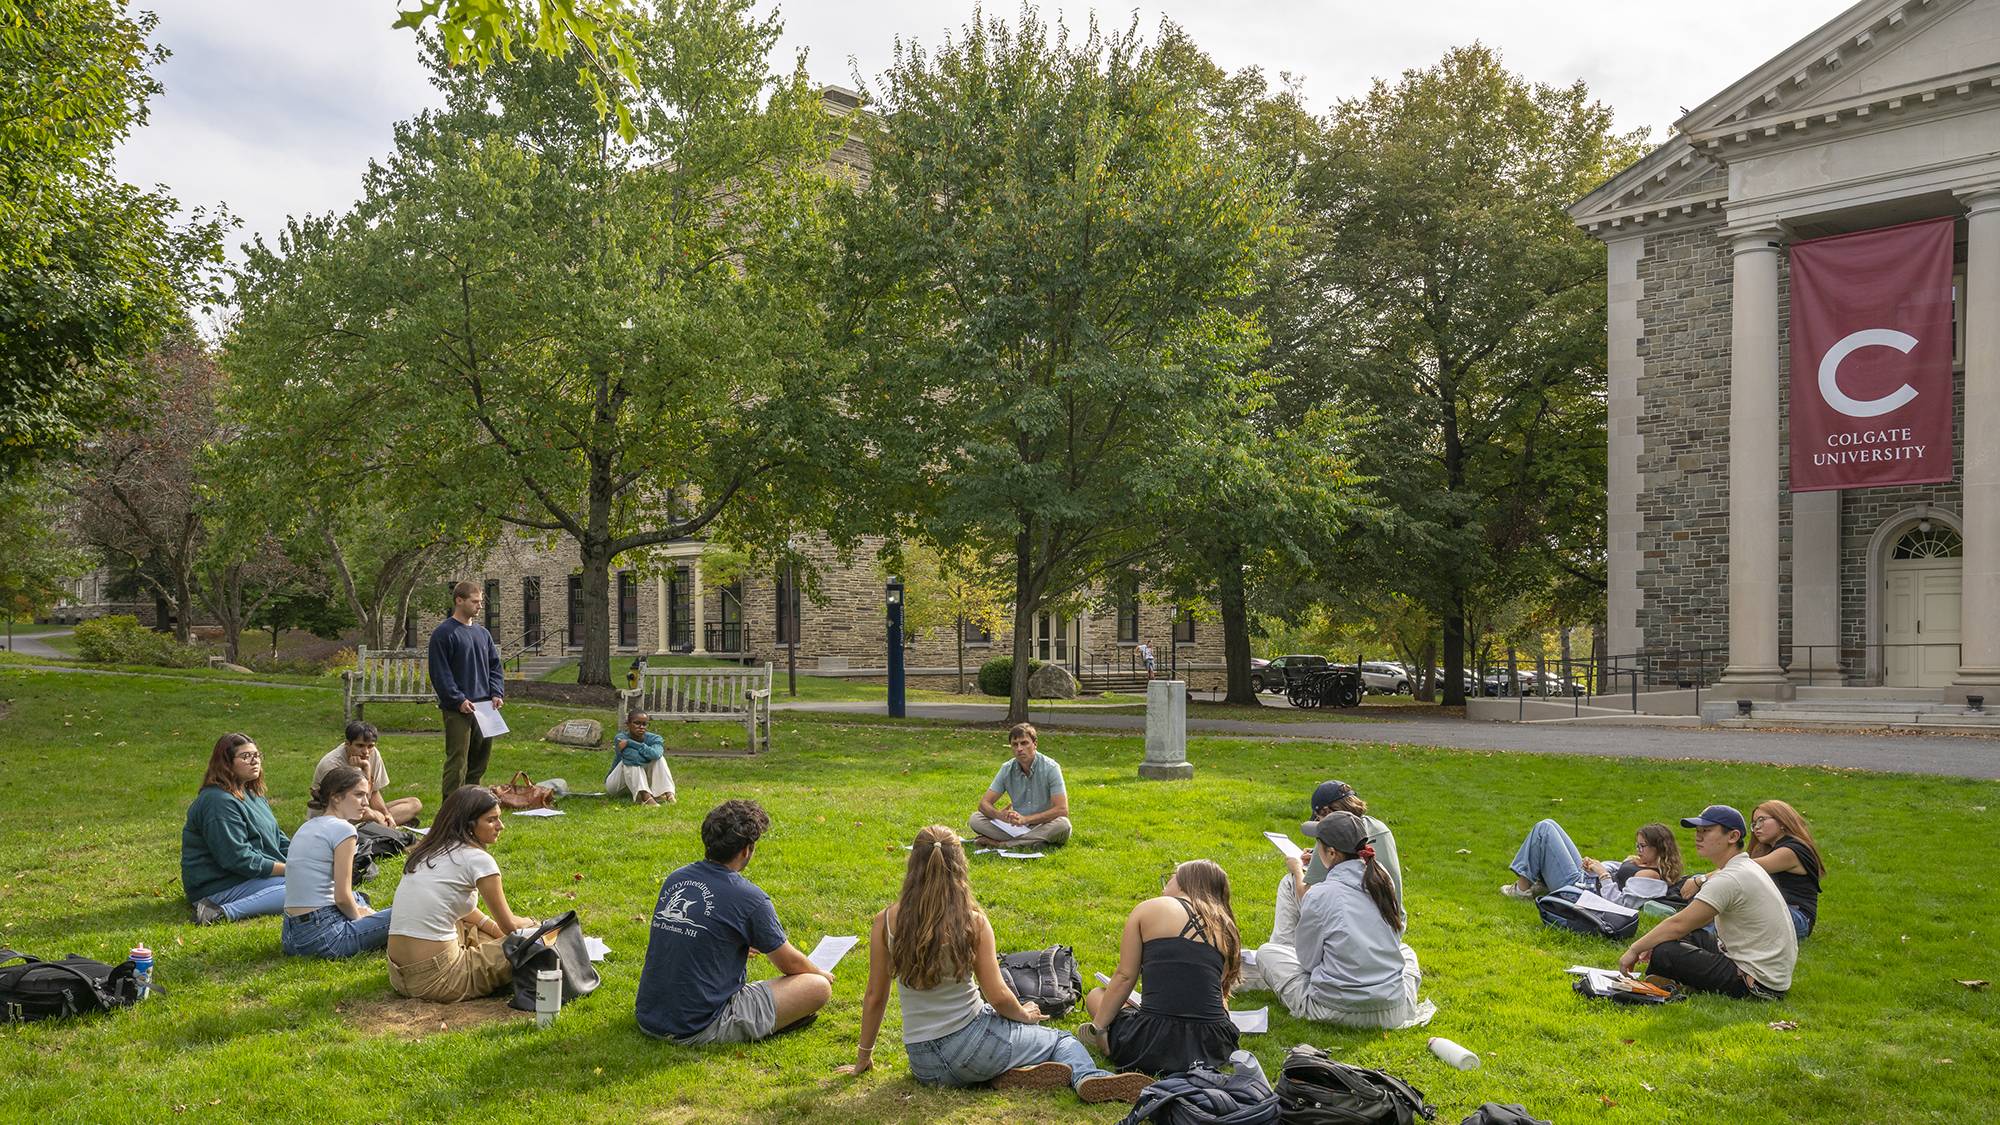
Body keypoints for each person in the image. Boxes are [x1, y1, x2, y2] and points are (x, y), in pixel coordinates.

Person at [835, 826, 1151, 1103]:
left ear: (912, 865)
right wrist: (1025, 1014)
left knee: (999, 1036)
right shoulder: (972, 922)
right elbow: (998, 996)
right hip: (973, 1048)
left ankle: (1010, 1074)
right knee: (1061, 1039)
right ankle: (1087, 1078)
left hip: (924, 1064)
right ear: (960, 867)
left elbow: (876, 995)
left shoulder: (885, 922)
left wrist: (864, 1058)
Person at [635, 800, 833, 1044]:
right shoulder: (750, 898)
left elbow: (693, 933)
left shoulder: (677, 877)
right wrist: (820, 972)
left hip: (649, 1017)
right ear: (746, 850)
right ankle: (768, 1025)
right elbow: (789, 963)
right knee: (817, 987)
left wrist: (730, 944)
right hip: (698, 1026)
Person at [1255, 812, 1436, 1029]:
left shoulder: (1320, 894)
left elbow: (1308, 961)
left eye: (1318, 844)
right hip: (1392, 1010)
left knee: (1267, 952)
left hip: (1334, 1010)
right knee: (1406, 951)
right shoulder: (1383, 878)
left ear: (1331, 852)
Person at [1076, 859, 1242, 1077]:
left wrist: (1098, 1030)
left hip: (1151, 1042)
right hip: (1213, 1047)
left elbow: (1125, 976)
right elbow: (1220, 994)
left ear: (1183, 882)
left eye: (1170, 877)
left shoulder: (1149, 908)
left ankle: (1103, 1032)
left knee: (1096, 995)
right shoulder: (1226, 925)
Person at [1619, 805, 1796, 999]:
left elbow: (1678, 925)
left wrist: (1635, 948)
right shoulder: (1745, 867)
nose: (1698, 837)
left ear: (1733, 836)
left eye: (1707, 831)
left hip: (1756, 982)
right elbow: (1690, 924)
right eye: (1698, 831)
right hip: (1768, 971)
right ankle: (1666, 980)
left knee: (1665, 951)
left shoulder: (1730, 878)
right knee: (1675, 937)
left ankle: (1661, 983)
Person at [387, 785, 538, 1002]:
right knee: (540, 939)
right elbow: (511, 927)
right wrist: (536, 926)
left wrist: (492, 928)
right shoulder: (478, 860)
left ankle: (484, 949)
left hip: (399, 976)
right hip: (440, 980)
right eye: (491, 820)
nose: (501, 826)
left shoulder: (427, 852)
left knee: (473, 926)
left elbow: (457, 907)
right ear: (469, 824)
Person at [1272, 780, 1401, 946]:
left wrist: (1297, 868)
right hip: (1392, 927)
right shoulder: (1380, 827)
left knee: (1289, 882)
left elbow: (1308, 897)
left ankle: (1284, 948)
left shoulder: (1332, 834)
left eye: (1319, 819)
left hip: (1353, 927)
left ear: (1327, 812)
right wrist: (1317, 856)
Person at [282, 766, 394, 958]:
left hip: (291, 937)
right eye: (359, 795)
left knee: (358, 897)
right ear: (335, 797)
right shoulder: (344, 830)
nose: (366, 803)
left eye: (366, 795)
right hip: (323, 937)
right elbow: (341, 897)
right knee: (407, 911)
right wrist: (361, 920)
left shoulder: (307, 826)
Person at [182, 733, 290, 925]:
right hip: (220, 885)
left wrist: (305, 861)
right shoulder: (217, 802)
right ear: (226, 763)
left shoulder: (252, 793)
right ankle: (219, 912)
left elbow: (278, 839)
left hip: (251, 878)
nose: (254, 761)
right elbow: (237, 858)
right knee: (305, 888)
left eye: (257, 755)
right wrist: (289, 869)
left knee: (316, 881)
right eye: (246, 756)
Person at [428, 580, 505, 802]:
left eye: (481, 602)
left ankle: (470, 805)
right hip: (458, 709)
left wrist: (496, 692)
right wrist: (457, 699)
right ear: (459, 600)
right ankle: (450, 809)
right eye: (475, 602)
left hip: (486, 708)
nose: (480, 606)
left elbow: (495, 666)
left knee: (480, 761)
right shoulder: (444, 634)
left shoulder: (483, 634)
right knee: (458, 760)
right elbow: (440, 673)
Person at [1502, 820, 1683, 910]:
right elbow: (1618, 871)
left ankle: (1522, 890)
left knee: (1544, 829)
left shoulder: (1652, 877)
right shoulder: (1643, 863)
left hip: (1581, 891)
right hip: (1586, 879)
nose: (1638, 849)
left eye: (1642, 846)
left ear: (1659, 848)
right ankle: (1542, 884)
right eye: (1637, 845)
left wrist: (1602, 873)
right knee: (1550, 823)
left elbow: (1622, 904)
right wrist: (1596, 865)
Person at [969, 723, 1071, 849]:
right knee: (975, 819)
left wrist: (1026, 819)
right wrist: (999, 815)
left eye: (1024, 743)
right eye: (1015, 744)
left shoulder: (1051, 768)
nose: (1019, 748)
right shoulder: (1007, 768)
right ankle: (1033, 841)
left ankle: (1002, 844)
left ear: (1035, 744)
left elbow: (1062, 810)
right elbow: (983, 804)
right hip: (1016, 826)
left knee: (1063, 825)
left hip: (1044, 824)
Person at [308, 720, 423, 827]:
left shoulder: (373, 754)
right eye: (360, 745)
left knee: (414, 803)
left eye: (370, 746)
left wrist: (386, 814)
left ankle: (384, 823)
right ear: (347, 744)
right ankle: (384, 825)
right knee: (370, 814)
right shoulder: (331, 764)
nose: (366, 752)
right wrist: (358, 771)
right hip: (333, 815)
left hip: (360, 807)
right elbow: (348, 803)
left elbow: (373, 794)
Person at [1746, 800, 1823, 941]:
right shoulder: (1767, 849)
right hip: (1776, 912)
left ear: (1782, 820)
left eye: (1761, 820)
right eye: (1754, 823)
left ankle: (1699, 937)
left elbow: (1742, 869)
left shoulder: (1791, 851)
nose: (1757, 827)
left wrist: (1699, 880)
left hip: (1797, 918)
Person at [607, 711, 675, 806]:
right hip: (617, 784)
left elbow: (656, 754)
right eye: (637, 723)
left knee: (660, 759)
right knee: (630, 761)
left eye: (644, 724)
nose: (641, 727)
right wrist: (648, 755)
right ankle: (645, 797)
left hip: (637, 780)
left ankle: (668, 793)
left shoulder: (655, 738)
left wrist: (630, 743)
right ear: (628, 724)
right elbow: (633, 757)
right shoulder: (620, 738)